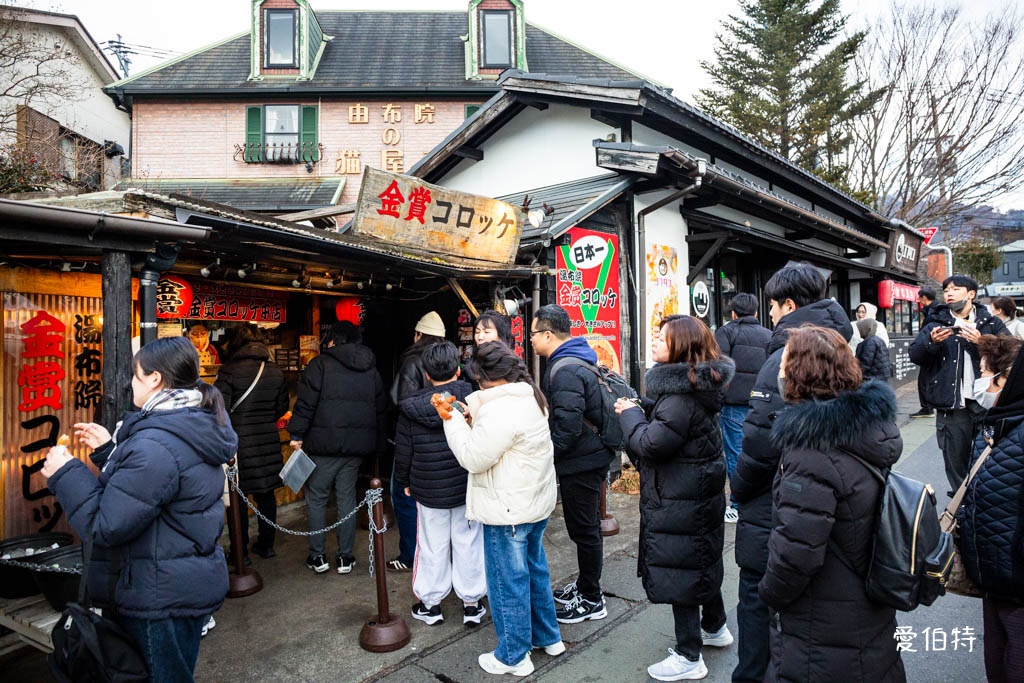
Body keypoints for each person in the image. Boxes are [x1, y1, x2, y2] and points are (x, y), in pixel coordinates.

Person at [42, 336, 237, 682]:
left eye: (135, 375)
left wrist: (65, 473)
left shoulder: (156, 443)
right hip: (177, 583)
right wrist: (109, 453)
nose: (130, 382)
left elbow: (108, 524)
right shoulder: (189, 422)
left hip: (158, 596)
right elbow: (149, 492)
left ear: (156, 379)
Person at [759, 325, 905, 682]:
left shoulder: (811, 450)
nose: (779, 370)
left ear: (802, 372)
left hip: (822, 625)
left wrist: (768, 594)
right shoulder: (865, 427)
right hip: (867, 607)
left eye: (785, 362)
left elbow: (796, 553)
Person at [730, 262, 852, 683]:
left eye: (774, 307)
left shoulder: (786, 357)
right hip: (837, 501)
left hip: (776, 505)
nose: (772, 316)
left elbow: (758, 447)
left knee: (761, 607)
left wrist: (739, 491)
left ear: (789, 304)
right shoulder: (842, 344)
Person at [614, 315, 734, 681]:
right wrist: (646, 407)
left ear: (681, 347)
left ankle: (688, 655)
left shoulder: (680, 396)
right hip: (697, 494)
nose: (654, 343)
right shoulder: (695, 386)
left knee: (682, 571)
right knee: (701, 562)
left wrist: (631, 415)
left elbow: (651, 445)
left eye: (662, 340)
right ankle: (715, 627)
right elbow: (674, 424)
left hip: (681, 498)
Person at [441, 341, 563, 676]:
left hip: (507, 508)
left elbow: (473, 457)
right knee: (534, 572)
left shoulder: (500, 409)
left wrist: (451, 420)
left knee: (506, 581)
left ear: (485, 378)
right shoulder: (529, 396)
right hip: (534, 504)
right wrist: (473, 415)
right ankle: (548, 637)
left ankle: (513, 655)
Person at [531, 304, 614, 624]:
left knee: (585, 530)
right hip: (589, 455)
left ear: (549, 334)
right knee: (585, 528)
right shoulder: (576, 359)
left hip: (582, 461)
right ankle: (585, 586)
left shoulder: (564, 369)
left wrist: (545, 457)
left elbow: (566, 427)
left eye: (535, 334)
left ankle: (592, 598)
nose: (532, 340)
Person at [394, 341, 486, 626]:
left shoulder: (411, 407)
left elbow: (404, 450)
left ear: (426, 373)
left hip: (427, 486)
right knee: (468, 541)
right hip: (465, 485)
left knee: (431, 544)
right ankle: (472, 603)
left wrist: (404, 481)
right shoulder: (473, 400)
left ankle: (431, 604)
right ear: (458, 371)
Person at [288, 321, 388, 575]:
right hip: (356, 450)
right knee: (346, 498)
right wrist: (378, 445)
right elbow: (380, 411)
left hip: (323, 447)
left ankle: (318, 556)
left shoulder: (319, 365)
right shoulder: (371, 369)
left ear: (333, 340)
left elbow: (305, 403)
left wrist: (297, 433)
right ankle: (345, 557)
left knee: (318, 498)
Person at [959, 334, 1024, 682]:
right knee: (997, 662)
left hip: (1015, 581)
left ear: (1008, 378)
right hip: (994, 579)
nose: (981, 382)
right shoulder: (997, 425)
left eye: (985, 373)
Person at [909, 274, 1007, 494]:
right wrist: (931, 342)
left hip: (987, 402)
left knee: (991, 459)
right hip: (952, 406)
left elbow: (1011, 354)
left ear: (971, 294)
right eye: (946, 290)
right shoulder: (935, 322)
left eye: (955, 289)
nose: (949, 293)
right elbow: (915, 355)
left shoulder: (990, 322)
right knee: (956, 465)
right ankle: (961, 507)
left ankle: (982, 502)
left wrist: (980, 341)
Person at [215, 324, 290, 560]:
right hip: (267, 439)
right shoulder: (275, 371)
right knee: (266, 494)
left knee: (238, 497)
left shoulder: (229, 371)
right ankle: (266, 545)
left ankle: (240, 551)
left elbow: (219, 410)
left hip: (238, 442)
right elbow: (281, 408)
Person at [388, 310, 447, 572]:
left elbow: (400, 401)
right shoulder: (450, 358)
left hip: (413, 441)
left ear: (418, 335)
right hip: (445, 437)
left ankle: (410, 554)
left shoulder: (411, 361)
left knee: (404, 495)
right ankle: (438, 554)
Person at [713, 292, 770, 524]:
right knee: (761, 451)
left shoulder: (726, 332)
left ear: (733, 313)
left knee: (736, 454)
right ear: (756, 312)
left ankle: (737, 505)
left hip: (733, 405)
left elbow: (719, 369)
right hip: (762, 403)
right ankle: (760, 500)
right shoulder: (769, 334)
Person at [910, 287, 939, 418]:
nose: (919, 300)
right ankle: (930, 406)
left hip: (930, 349)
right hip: (934, 349)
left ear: (924, 298)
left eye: (920, 298)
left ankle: (927, 408)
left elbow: (926, 334)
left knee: (924, 380)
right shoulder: (936, 310)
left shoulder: (932, 313)